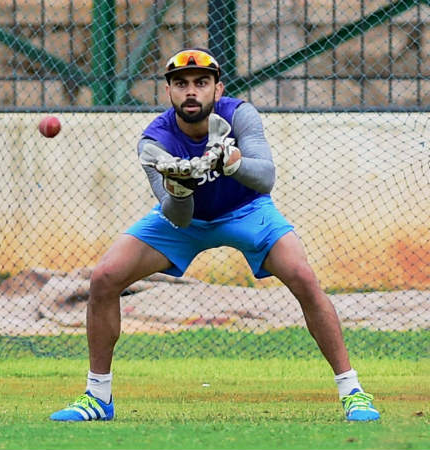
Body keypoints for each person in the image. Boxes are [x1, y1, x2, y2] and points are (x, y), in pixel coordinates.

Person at [50, 48, 380, 422]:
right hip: (187, 221)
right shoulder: (154, 142)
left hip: (247, 210)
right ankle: (98, 397)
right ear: (168, 92)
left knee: (303, 276)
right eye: (181, 84)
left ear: (217, 89)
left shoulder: (240, 115)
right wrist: (179, 189)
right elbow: (177, 218)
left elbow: (266, 178)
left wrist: (231, 162)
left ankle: (352, 391)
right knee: (104, 277)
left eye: (201, 82)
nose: (191, 91)